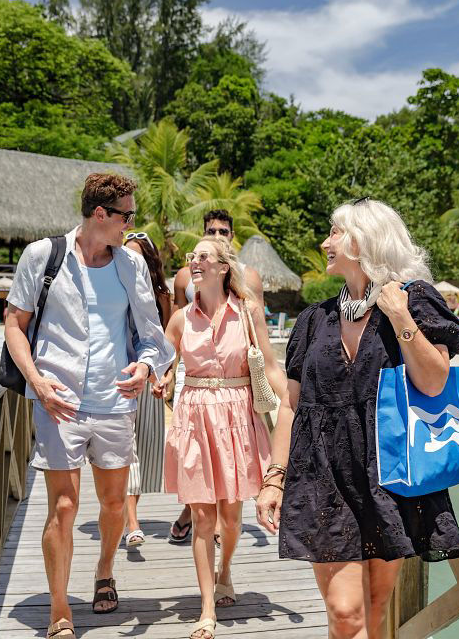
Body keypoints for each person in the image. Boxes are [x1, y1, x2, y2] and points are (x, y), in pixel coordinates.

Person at [256, 197, 459, 639]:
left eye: (335, 232)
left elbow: (434, 382)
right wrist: (275, 477)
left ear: (365, 240)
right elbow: (292, 406)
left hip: (387, 472)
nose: (325, 242)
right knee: (346, 611)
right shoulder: (315, 319)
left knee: (375, 604)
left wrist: (401, 317)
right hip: (323, 475)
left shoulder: (414, 300)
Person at [3, 173, 174, 639]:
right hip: (60, 402)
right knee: (63, 506)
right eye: (127, 215)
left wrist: (145, 366)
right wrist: (36, 382)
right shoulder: (44, 255)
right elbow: (14, 324)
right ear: (101, 214)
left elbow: (151, 335)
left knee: (115, 503)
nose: (131, 225)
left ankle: (104, 570)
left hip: (117, 403)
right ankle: (60, 607)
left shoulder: (132, 266)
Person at [156, 236, 286, 639]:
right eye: (192, 257)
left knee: (230, 518)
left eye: (202, 257)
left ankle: (225, 569)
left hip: (237, 418)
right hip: (193, 419)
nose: (194, 262)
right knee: (202, 518)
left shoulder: (247, 312)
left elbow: (269, 363)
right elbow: (159, 359)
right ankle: (207, 608)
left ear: (223, 267)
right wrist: (159, 377)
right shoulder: (180, 319)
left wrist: (295, 402)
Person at [167, 209, 265, 545]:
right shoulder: (184, 276)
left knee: (227, 484)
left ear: (232, 235)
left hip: (234, 387)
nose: (218, 234)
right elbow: (179, 322)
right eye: (212, 229)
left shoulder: (249, 278)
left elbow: (256, 334)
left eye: (224, 230)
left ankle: (216, 531)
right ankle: (197, 515)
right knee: (200, 474)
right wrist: (167, 373)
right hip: (193, 379)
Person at [121, 232, 173, 548]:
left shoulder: (160, 295)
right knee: (126, 451)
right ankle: (131, 522)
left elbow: (165, 343)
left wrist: (160, 378)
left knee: (146, 448)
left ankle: (130, 515)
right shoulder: (114, 290)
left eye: (136, 256)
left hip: (151, 378)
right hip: (119, 379)